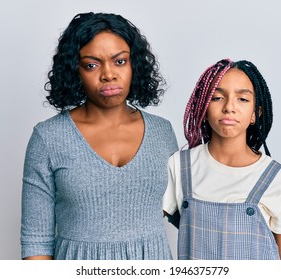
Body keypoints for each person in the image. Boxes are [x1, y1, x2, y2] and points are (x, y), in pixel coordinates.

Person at [21, 12, 178, 260]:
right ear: (75, 71)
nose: (108, 74)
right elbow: (36, 241)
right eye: (92, 65)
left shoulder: (162, 132)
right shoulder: (48, 137)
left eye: (120, 61)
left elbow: (186, 211)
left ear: (134, 64)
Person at [163, 58, 281, 260]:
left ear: (255, 114)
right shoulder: (180, 166)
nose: (229, 107)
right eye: (217, 98)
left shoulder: (278, 178)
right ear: (204, 107)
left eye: (242, 99)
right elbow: (143, 225)